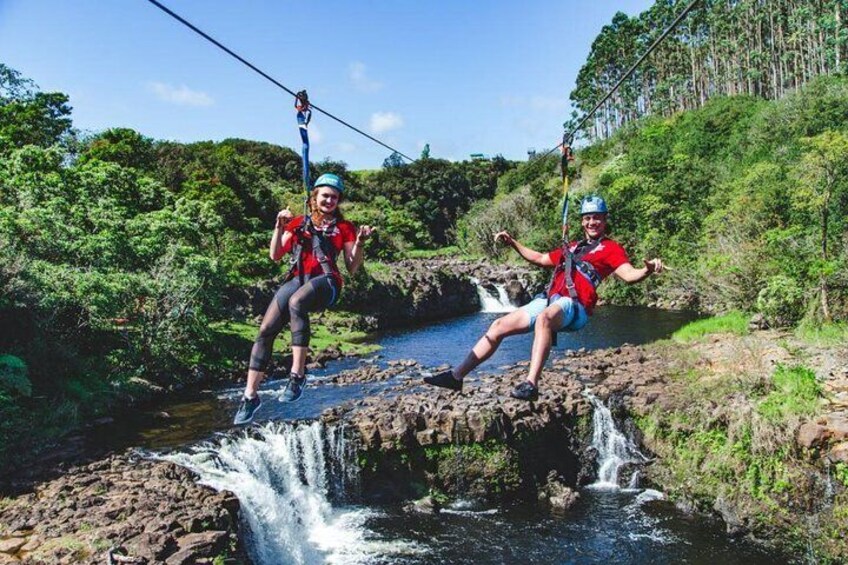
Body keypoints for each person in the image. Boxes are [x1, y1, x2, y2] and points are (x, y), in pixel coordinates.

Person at [423, 195, 663, 401]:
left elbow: (629, 275)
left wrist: (647, 270)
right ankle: (456, 377)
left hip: (575, 305)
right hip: (550, 298)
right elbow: (539, 258)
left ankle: (531, 384)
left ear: (605, 220)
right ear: (582, 222)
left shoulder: (611, 248)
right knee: (498, 326)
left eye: (597, 217)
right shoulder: (572, 247)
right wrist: (513, 243)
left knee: (544, 319)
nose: (592, 222)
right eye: (588, 218)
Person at [233, 173, 374, 424]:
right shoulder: (298, 223)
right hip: (299, 278)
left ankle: (297, 375)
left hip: (327, 282)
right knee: (266, 329)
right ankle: (250, 395)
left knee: (296, 302)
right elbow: (275, 255)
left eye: (334, 197)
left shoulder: (344, 227)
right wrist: (279, 226)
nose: (329, 200)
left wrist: (360, 243)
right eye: (325, 196)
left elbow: (352, 267)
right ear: (315, 197)